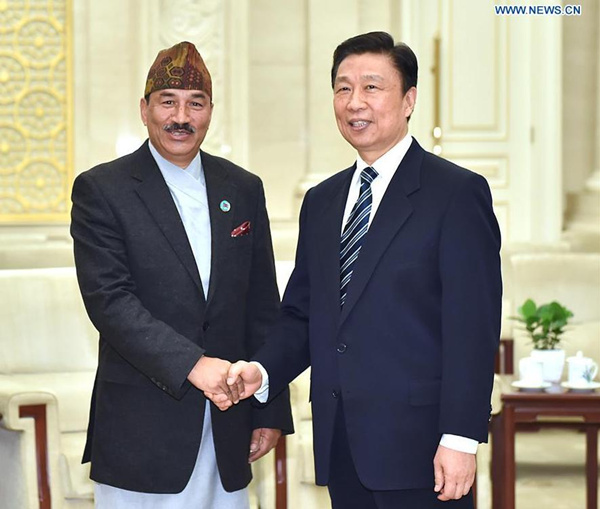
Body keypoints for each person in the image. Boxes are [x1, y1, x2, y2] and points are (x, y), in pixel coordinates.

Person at [212, 32, 502, 508]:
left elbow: (473, 328)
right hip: (342, 442)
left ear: (408, 100)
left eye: (372, 87)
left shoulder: (455, 194)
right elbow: (305, 316)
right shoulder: (322, 202)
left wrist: (461, 437)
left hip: (424, 449)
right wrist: (262, 372)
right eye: (343, 88)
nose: (354, 102)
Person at [71, 41, 293, 508]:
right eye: (167, 101)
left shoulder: (243, 188)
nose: (181, 117)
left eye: (196, 103)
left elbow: (262, 307)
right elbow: (110, 302)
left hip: (229, 421)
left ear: (211, 111)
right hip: (141, 426)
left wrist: (270, 409)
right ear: (144, 109)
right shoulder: (102, 189)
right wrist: (193, 365)